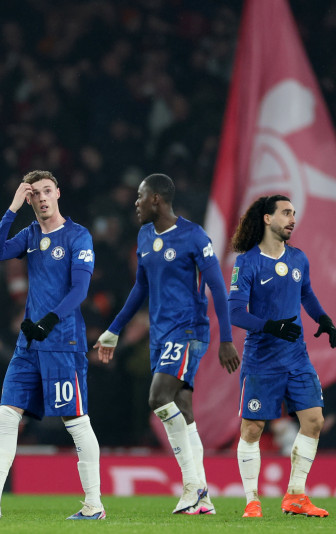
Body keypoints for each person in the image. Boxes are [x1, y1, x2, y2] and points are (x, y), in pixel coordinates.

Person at [0, 170, 105, 521]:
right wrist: (13, 206)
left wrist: (49, 320)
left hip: (63, 342)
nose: (43, 198)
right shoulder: (30, 234)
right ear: (30, 199)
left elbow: (79, 290)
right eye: (36, 194)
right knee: (6, 415)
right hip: (29, 342)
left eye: (48, 191)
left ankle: (94, 504)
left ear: (59, 193)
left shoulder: (78, 236)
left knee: (75, 419)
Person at [93, 173, 240, 515]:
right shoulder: (145, 236)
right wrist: (114, 329)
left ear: (156, 199)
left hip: (187, 330)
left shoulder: (194, 236)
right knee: (184, 411)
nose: (136, 203)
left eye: (140, 197)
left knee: (158, 398)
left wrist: (227, 339)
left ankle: (192, 486)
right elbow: (140, 289)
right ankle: (202, 498)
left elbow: (217, 287)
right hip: (160, 334)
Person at [227, 195, 336, 518]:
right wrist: (270, 326)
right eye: (286, 213)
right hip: (262, 360)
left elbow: (306, 293)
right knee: (252, 430)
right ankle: (252, 499)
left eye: (294, 213)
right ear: (267, 218)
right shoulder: (247, 262)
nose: (292, 219)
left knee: (314, 420)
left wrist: (324, 319)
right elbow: (235, 312)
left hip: (297, 358)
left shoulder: (298, 258)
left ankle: (295, 495)